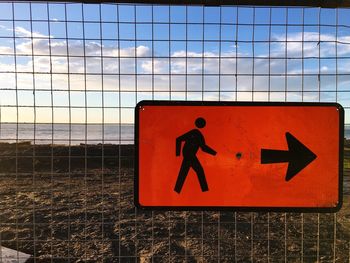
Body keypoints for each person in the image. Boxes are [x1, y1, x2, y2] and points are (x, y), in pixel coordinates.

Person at [174, 117, 217, 193]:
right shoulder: (195, 132)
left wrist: (214, 153)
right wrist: (177, 155)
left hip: (189, 155)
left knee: (184, 172)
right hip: (189, 155)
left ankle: (177, 190)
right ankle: (205, 191)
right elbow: (178, 139)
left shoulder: (197, 133)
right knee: (199, 171)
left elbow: (203, 147)